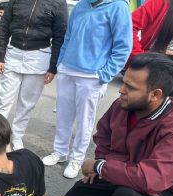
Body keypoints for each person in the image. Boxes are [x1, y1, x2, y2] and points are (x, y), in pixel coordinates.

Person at [60, 53, 173, 196]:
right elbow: (103, 135)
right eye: (123, 82)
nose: (121, 90)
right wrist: (101, 162)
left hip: (163, 191)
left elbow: (151, 180)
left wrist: (99, 166)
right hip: (123, 173)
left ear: (155, 94)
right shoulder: (122, 105)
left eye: (130, 87)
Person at [42, 0, 133, 178]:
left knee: (85, 120)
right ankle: (60, 152)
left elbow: (123, 46)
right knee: (63, 115)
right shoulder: (81, 5)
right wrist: (61, 62)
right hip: (68, 69)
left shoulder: (118, 7)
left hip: (92, 75)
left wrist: (105, 74)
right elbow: (68, 36)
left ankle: (77, 159)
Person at [0, 0, 67, 150]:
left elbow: (60, 36)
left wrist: (53, 67)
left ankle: (17, 136)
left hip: (39, 57)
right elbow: (4, 27)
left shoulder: (59, 3)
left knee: (27, 103)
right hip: (14, 53)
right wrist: (0, 55)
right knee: (3, 99)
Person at [130, 0, 173, 99]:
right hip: (159, 61)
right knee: (140, 104)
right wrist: (138, 55)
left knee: (170, 109)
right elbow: (129, 26)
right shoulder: (161, 2)